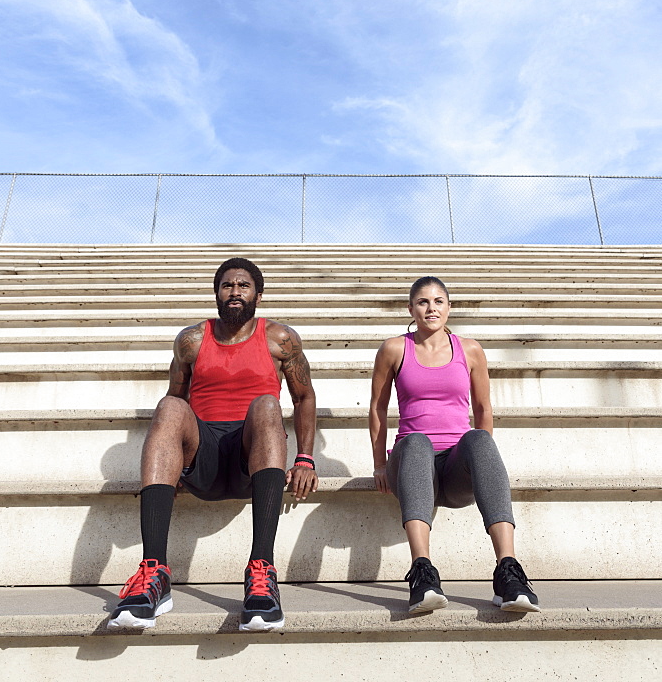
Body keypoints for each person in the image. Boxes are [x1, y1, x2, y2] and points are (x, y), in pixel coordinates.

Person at [108, 256, 318, 633]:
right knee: (170, 405)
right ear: (217, 293)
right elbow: (177, 399)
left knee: (268, 404)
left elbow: (303, 398)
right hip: (202, 457)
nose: (235, 292)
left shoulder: (280, 338)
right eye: (227, 285)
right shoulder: (191, 340)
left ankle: (262, 575)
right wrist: (169, 469)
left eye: (243, 286)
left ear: (258, 294)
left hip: (249, 457)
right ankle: (154, 574)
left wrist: (305, 458)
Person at [369, 275, 539, 615]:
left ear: (449, 307)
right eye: (423, 302)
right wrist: (380, 465)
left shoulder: (470, 349)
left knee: (478, 438)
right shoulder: (394, 348)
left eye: (438, 301)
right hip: (414, 466)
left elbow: (483, 409)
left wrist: (481, 459)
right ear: (411, 309)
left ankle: (509, 571)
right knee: (416, 442)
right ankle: (422, 574)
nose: (431, 308)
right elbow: (377, 408)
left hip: (454, 472)